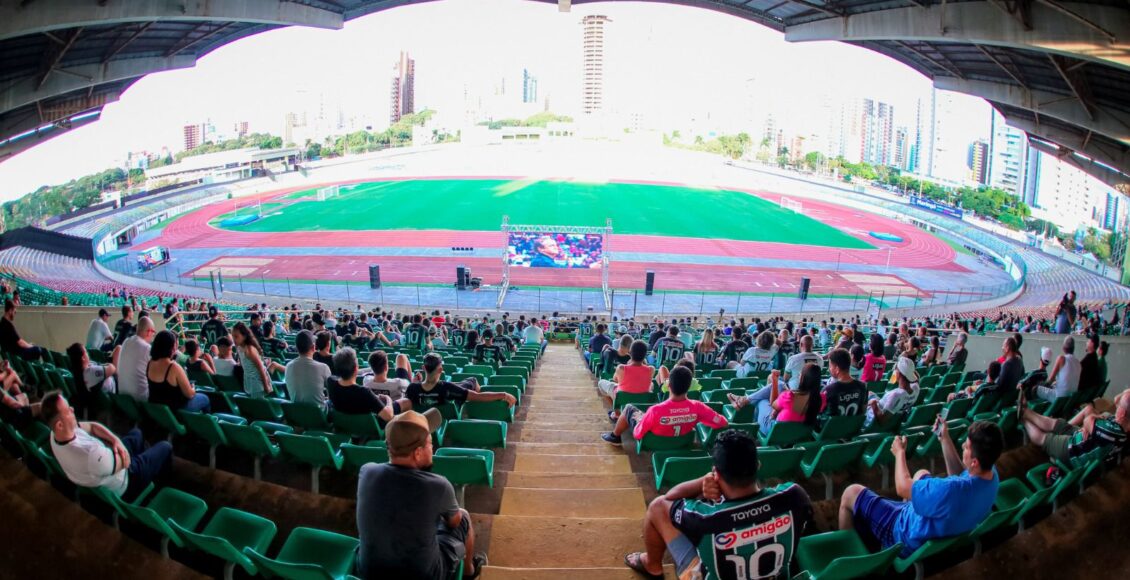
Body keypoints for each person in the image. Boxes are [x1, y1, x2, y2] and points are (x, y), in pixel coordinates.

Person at [622, 429, 813, 579]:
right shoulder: (795, 496)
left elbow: (670, 497)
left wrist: (703, 481)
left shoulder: (703, 518)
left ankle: (652, 565)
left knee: (656, 506)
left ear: (717, 473)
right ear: (758, 465)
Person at [838, 421, 1003, 557]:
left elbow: (902, 488)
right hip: (940, 529)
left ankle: (851, 558)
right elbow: (962, 475)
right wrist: (944, 438)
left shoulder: (948, 490)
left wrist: (899, 453)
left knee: (850, 493)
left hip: (905, 535)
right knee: (922, 473)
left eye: (966, 447)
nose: (962, 446)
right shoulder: (992, 475)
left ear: (974, 462)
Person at [355, 408, 486, 579]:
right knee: (463, 516)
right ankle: (469, 571)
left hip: (368, 569)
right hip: (424, 575)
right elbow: (454, 523)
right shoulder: (439, 485)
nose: (433, 448)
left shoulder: (366, 471)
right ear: (417, 453)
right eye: (430, 443)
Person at [43, 391, 173, 501]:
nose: (72, 409)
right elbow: (125, 462)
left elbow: (92, 426)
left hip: (110, 463)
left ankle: (147, 470)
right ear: (59, 425)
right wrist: (120, 448)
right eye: (68, 411)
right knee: (165, 447)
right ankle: (159, 486)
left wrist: (116, 441)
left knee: (136, 433)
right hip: (127, 480)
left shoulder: (55, 435)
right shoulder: (89, 454)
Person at [603, 365, 727, 443]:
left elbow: (637, 433)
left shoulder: (655, 410)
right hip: (682, 442)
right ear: (689, 386)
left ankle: (615, 436)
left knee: (629, 408)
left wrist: (640, 419)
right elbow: (722, 422)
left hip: (655, 443)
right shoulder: (698, 407)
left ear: (668, 385)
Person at [1020, 390, 1129, 467]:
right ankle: (1025, 410)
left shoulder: (1111, 432)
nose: (1116, 405)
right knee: (1057, 423)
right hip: (1081, 438)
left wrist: (1091, 421)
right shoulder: (1123, 426)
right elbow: (1116, 400)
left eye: (1119, 406)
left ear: (1123, 413)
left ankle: (1023, 418)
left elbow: (1087, 420)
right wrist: (1089, 426)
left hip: (1073, 452)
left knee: (1043, 438)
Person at [406, 353, 516, 411]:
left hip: (425, 416)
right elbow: (478, 397)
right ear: (441, 369)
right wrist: (504, 394)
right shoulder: (447, 387)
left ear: (423, 368)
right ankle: (475, 411)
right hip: (451, 397)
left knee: (464, 384)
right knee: (472, 380)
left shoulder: (412, 388)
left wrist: (414, 383)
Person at [146, 330, 210, 412]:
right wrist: (193, 388)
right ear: (172, 347)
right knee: (205, 399)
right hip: (176, 410)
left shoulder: (150, 363)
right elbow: (190, 394)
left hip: (160, 410)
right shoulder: (174, 367)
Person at [328, 348, 399, 420]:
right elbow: (388, 416)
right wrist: (388, 399)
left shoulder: (331, 382)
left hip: (342, 426)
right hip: (366, 429)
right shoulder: (364, 392)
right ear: (356, 368)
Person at [597, 340, 654, 421]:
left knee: (601, 383)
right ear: (645, 354)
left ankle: (617, 413)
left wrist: (628, 365)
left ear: (630, 352)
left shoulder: (621, 368)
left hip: (621, 395)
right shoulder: (651, 369)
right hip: (641, 398)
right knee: (651, 384)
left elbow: (615, 379)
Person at [865, 357, 920, 429]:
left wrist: (873, 404)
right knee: (870, 393)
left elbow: (882, 420)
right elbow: (917, 379)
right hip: (890, 410)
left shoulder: (896, 395)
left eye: (896, 370)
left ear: (899, 373)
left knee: (862, 398)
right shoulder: (916, 389)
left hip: (872, 417)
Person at [285, 330, 331, 409]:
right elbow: (331, 394)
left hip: (297, 414)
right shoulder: (323, 367)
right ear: (313, 347)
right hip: (319, 416)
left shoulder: (288, 366)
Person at [117, 316, 156, 401]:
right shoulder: (147, 348)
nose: (153, 335)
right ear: (149, 332)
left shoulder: (126, 341)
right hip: (140, 400)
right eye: (154, 332)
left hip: (123, 398)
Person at [822, 348, 868, 417]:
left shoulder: (828, 390)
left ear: (837, 369)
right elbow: (863, 412)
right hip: (853, 427)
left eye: (830, 366)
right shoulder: (863, 386)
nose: (829, 369)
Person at [232, 322, 272, 397]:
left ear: (244, 336)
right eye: (233, 337)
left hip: (257, 381)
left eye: (236, 337)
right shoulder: (239, 347)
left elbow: (261, 369)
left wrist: (266, 385)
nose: (234, 339)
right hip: (248, 379)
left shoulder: (250, 350)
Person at [1038, 335, 1081, 403]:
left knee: (1035, 389)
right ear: (1073, 348)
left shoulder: (1061, 358)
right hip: (1070, 399)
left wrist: (1040, 384)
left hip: (1059, 397)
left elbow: (1050, 380)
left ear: (1063, 348)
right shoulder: (1078, 362)